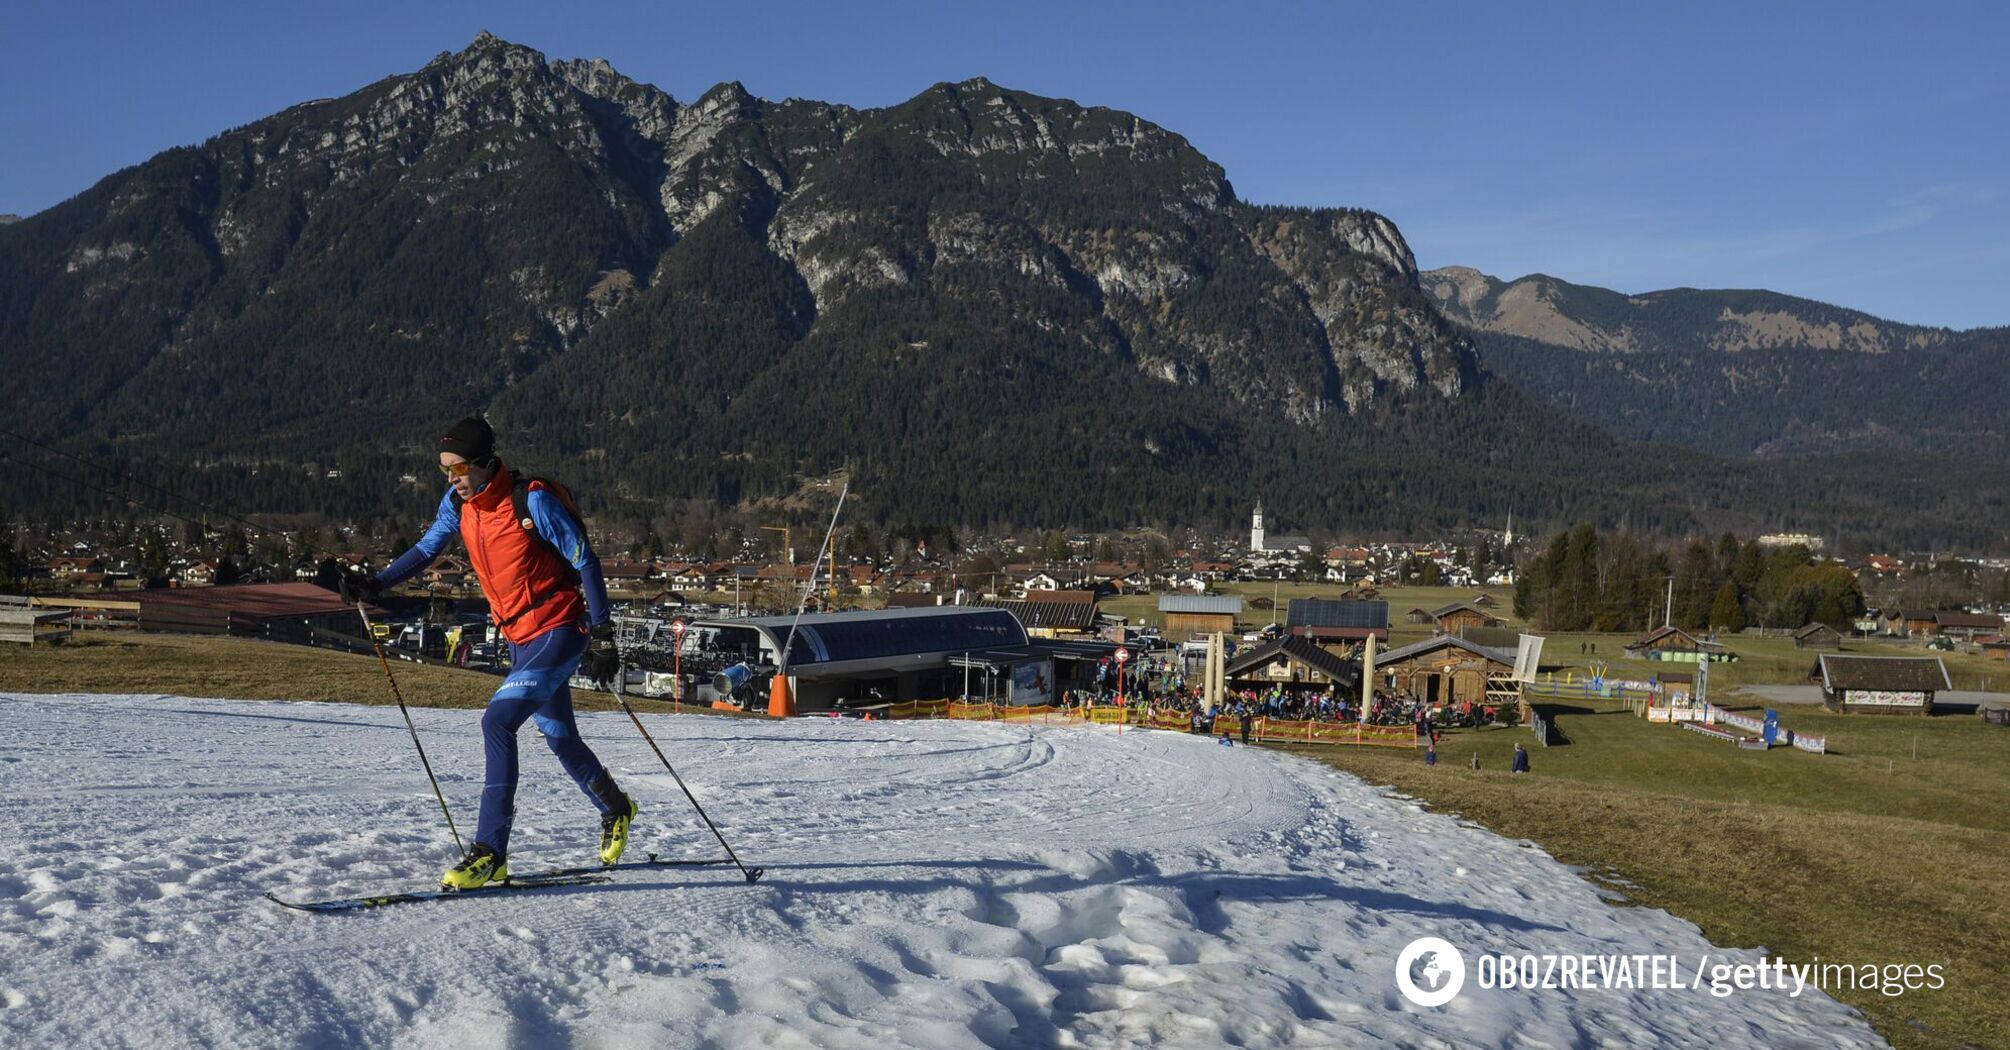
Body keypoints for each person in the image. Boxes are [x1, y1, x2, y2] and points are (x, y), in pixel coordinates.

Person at [340, 417, 635, 891]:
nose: (451, 479)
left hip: (559, 628)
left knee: (497, 722)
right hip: (520, 638)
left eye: (457, 469)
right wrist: (375, 583)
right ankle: (616, 806)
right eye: (444, 471)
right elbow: (426, 548)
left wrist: (603, 634)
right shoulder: (459, 504)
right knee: (559, 738)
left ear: (482, 464)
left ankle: (490, 852)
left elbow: (585, 560)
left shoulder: (531, 500)